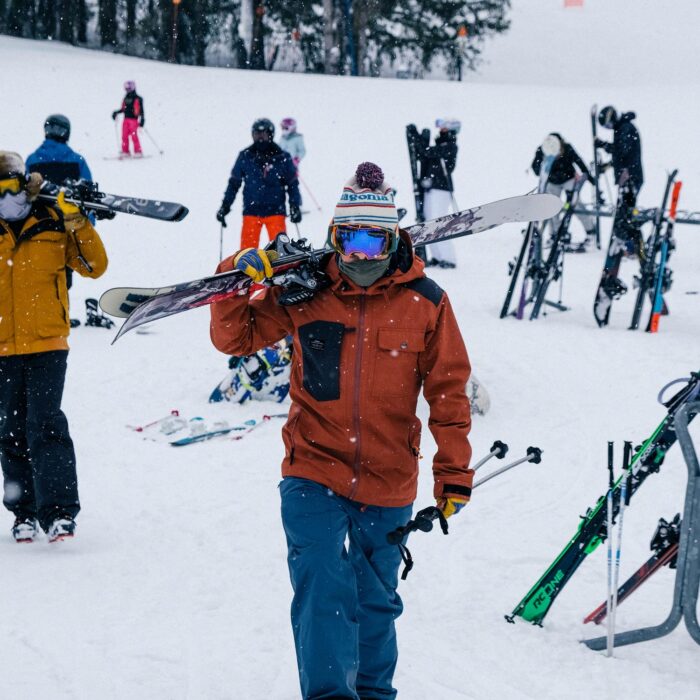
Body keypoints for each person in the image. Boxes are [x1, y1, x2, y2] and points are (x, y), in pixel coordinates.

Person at [210, 161, 473, 700]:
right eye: (348, 241)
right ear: (334, 238)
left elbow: (448, 390)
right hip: (312, 466)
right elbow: (235, 339)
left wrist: (454, 474)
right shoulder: (306, 290)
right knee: (323, 592)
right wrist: (243, 272)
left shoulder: (426, 300)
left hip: (390, 475)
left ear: (392, 239)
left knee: (375, 602)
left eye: (373, 244)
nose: (358, 256)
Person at [0, 152, 108, 543]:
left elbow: (94, 266)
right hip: (2, 347)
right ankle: (23, 512)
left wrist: (77, 219)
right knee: (10, 430)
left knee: (45, 425)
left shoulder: (51, 218)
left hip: (47, 342)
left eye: (11, 184)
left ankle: (59, 512)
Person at [26, 114, 95, 324]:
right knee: (64, 272)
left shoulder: (32, 160)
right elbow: (87, 196)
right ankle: (59, 315)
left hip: (39, 226)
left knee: (43, 273)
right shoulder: (76, 161)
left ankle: (46, 315)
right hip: (68, 225)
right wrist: (88, 225)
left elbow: (26, 195)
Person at [216, 118, 302, 249]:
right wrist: (225, 205)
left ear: (271, 135)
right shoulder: (245, 156)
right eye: (257, 134)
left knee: (280, 253)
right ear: (252, 135)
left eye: (263, 134)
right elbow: (234, 183)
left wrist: (295, 205)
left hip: (275, 211)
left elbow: (292, 184)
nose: (260, 138)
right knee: (247, 254)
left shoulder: (282, 157)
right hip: (251, 212)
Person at [595, 107, 645, 296]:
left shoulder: (625, 129)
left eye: (607, 124)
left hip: (631, 178)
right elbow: (621, 155)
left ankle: (633, 247)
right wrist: (608, 166)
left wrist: (603, 145)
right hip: (629, 177)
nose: (608, 127)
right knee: (625, 215)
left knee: (626, 217)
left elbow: (621, 151)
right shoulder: (623, 128)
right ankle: (630, 246)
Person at [531, 132, 597, 248]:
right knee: (551, 208)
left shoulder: (567, 148)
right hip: (552, 182)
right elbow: (535, 168)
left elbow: (579, 161)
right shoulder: (542, 150)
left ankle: (590, 231)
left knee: (575, 205)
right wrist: (541, 166)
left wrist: (590, 178)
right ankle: (556, 234)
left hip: (568, 179)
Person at [417, 118, 461, 268]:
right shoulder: (440, 145)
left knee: (439, 223)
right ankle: (437, 256)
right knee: (429, 222)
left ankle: (449, 258)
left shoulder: (450, 146)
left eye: (444, 129)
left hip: (441, 189)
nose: (440, 131)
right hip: (431, 188)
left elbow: (427, 152)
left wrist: (419, 142)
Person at [112, 80, 145, 158]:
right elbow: (123, 109)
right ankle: (125, 151)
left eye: (129, 88)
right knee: (124, 136)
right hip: (126, 120)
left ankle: (138, 151)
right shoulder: (126, 98)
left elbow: (141, 111)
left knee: (134, 136)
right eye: (126, 88)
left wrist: (142, 119)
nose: (127, 90)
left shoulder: (138, 98)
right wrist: (116, 112)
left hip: (133, 120)